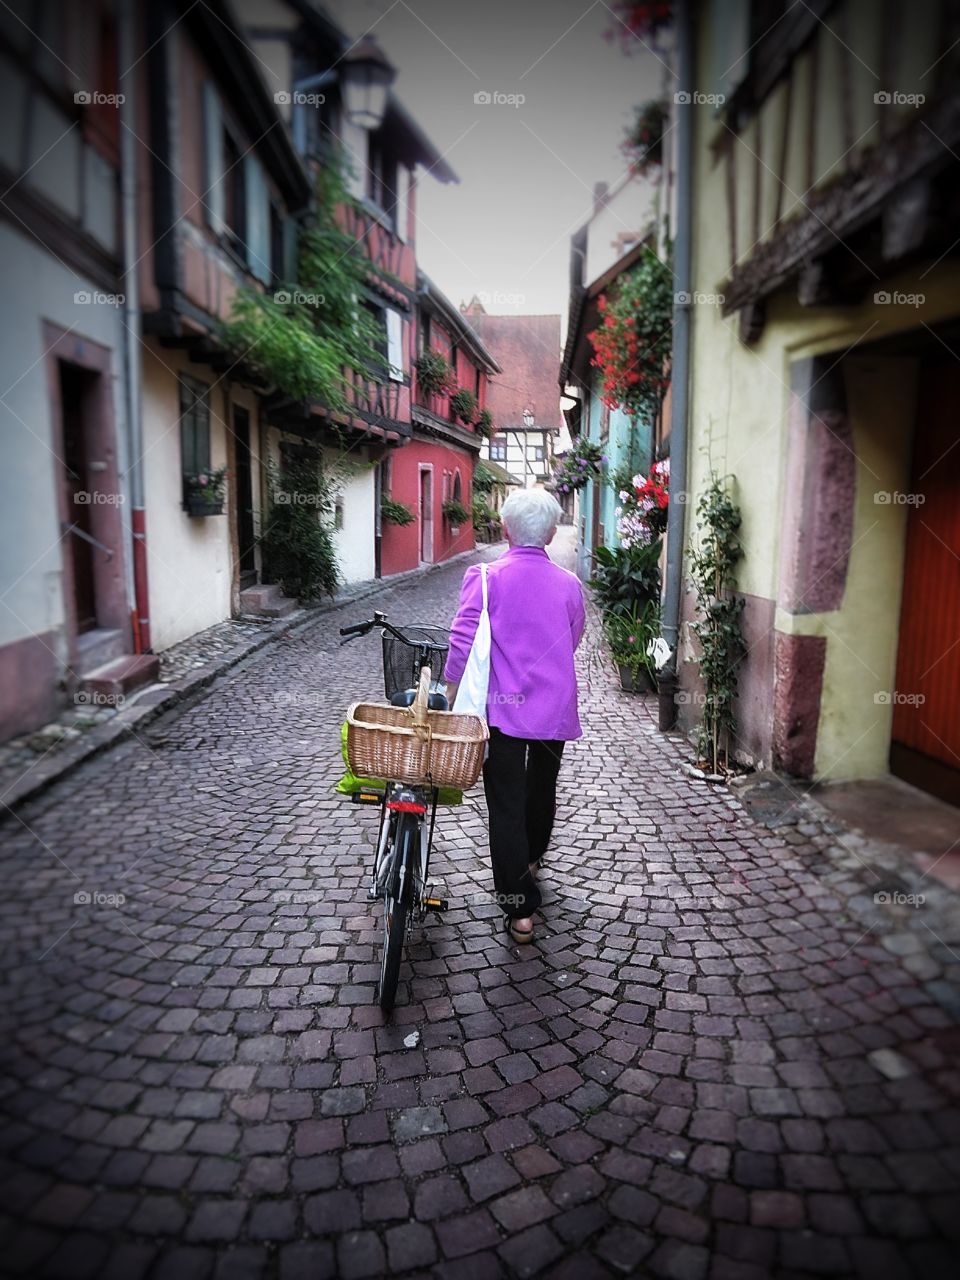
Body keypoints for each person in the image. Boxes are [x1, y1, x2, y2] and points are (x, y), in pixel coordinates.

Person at [444, 488, 585, 944]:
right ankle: (531, 860)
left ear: (504, 530)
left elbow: (462, 640)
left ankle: (519, 911)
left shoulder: (485, 577)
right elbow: (574, 635)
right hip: (552, 706)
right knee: (542, 789)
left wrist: (449, 695)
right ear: (548, 533)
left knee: (505, 804)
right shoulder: (569, 585)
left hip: (501, 711)